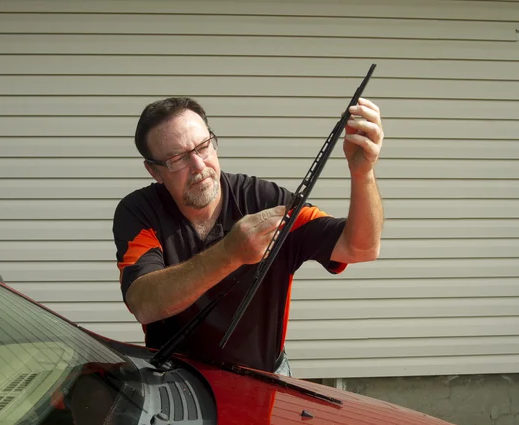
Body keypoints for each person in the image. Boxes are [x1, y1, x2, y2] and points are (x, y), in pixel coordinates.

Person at [113, 97, 384, 375]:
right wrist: (229, 253)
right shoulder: (139, 212)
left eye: (203, 147)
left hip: (262, 376)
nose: (198, 165)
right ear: (154, 171)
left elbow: (360, 249)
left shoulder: (262, 200)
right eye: (178, 159)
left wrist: (362, 172)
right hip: (174, 380)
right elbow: (143, 304)